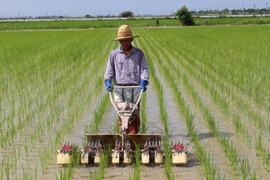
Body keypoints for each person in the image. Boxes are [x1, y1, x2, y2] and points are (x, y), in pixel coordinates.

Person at [104, 24, 149, 134]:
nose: (125, 43)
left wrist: (144, 81)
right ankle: (123, 135)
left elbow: (144, 69)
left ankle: (133, 139)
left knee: (133, 116)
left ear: (131, 40)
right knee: (122, 113)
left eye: (127, 40)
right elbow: (109, 71)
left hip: (135, 88)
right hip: (119, 88)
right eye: (122, 41)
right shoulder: (114, 54)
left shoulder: (139, 53)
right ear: (119, 41)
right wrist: (108, 81)